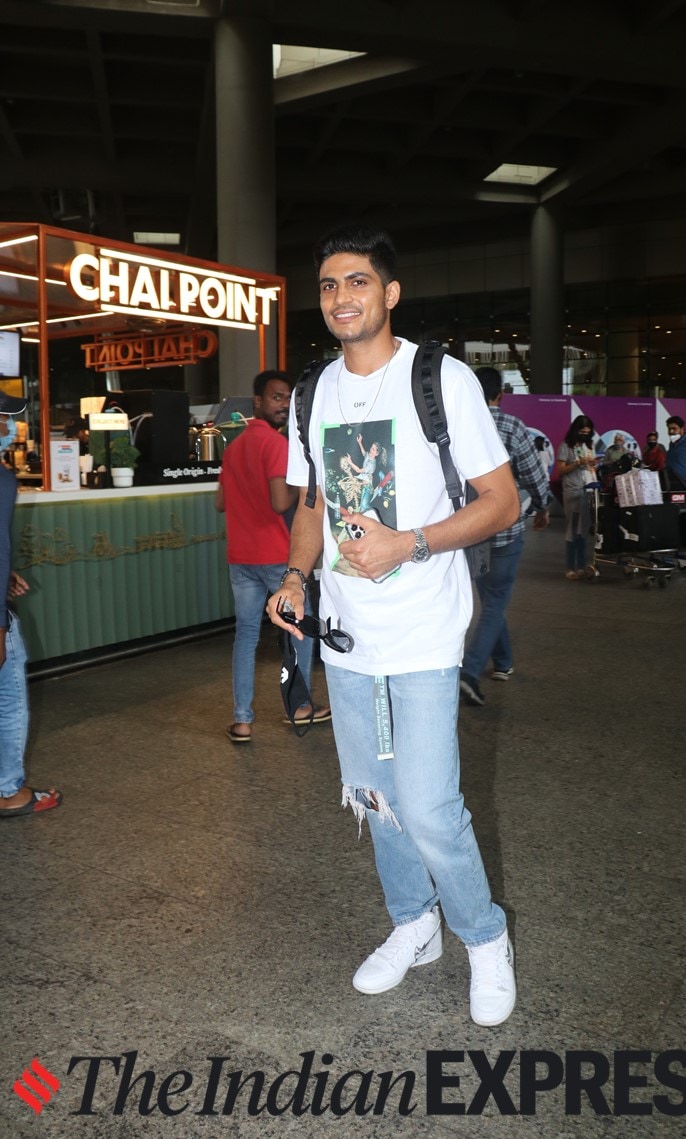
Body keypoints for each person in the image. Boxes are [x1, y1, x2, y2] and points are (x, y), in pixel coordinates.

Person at [266, 224, 521, 1027]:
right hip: (346, 634)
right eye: (330, 285)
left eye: (358, 282)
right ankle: (414, 925)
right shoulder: (310, 394)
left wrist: (408, 542)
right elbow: (310, 502)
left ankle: (483, 935)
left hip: (420, 629)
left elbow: (500, 502)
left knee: (430, 802)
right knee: (376, 796)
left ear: (390, 292)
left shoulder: (438, 379)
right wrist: (296, 575)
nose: (341, 297)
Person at [215, 369, 329, 741]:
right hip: (278, 557)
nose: (283, 405)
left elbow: (220, 503)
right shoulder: (278, 446)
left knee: (245, 636)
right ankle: (299, 707)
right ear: (258, 402)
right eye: (277, 397)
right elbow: (280, 501)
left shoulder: (233, 448)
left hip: (240, 556)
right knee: (299, 631)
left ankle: (242, 719)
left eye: (287, 398)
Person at [459, 367, 550, 705]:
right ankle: (469, 672)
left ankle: (504, 663)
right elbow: (532, 473)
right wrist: (542, 507)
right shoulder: (511, 426)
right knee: (495, 602)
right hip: (507, 530)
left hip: (469, 532)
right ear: (499, 395)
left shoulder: (457, 426)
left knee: (492, 602)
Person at [0, 395, 62, 818]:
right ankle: (9, 791)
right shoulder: (2, 479)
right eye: (3, 417)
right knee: (9, 697)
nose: (8, 426)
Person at [555, 415, 598, 580]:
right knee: (572, 529)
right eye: (582, 432)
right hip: (572, 490)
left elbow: (591, 467)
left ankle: (581, 565)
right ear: (575, 430)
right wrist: (578, 464)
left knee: (583, 530)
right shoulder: (566, 446)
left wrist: (593, 464)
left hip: (587, 490)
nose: (585, 435)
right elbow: (560, 470)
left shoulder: (589, 445)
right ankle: (569, 566)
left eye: (588, 432)